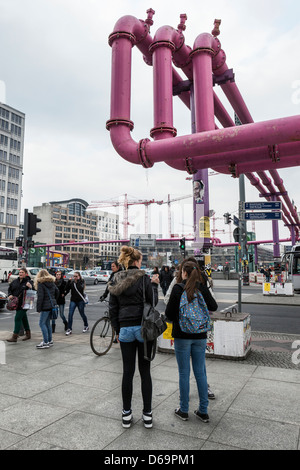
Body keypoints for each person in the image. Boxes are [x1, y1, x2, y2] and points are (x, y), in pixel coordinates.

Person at [108, 246, 159, 429]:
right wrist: (154, 285)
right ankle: (147, 415)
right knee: (145, 373)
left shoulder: (116, 279)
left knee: (127, 372)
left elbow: (112, 308)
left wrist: (117, 329)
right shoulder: (144, 278)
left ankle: (126, 414)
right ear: (137, 262)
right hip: (143, 328)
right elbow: (152, 302)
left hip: (125, 329)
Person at [165, 261, 218, 423]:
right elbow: (214, 306)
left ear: (184, 273)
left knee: (184, 373)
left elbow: (168, 314)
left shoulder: (178, 288)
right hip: (200, 334)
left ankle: (184, 409)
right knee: (200, 372)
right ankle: (203, 410)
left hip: (182, 335)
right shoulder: (202, 287)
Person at [6, 268, 34, 343]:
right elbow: (10, 289)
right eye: (19, 272)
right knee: (24, 318)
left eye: (22, 272)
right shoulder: (15, 281)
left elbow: (35, 290)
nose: (20, 273)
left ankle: (15, 336)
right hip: (17, 303)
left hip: (26, 303)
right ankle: (28, 334)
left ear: (25, 273)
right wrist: (10, 295)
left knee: (17, 318)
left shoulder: (29, 281)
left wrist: (31, 287)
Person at [35, 269, 59, 349]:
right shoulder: (51, 282)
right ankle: (50, 340)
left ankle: (45, 342)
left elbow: (40, 297)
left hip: (45, 306)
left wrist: (38, 308)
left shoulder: (41, 284)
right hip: (51, 306)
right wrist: (53, 299)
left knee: (42, 323)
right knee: (47, 323)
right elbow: (57, 291)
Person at [65, 271, 89, 336]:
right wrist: (68, 282)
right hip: (73, 300)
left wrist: (77, 281)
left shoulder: (82, 282)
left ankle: (86, 325)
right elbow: (67, 289)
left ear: (79, 276)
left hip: (80, 301)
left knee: (82, 314)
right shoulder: (72, 282)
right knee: (70, 314)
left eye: (76, 276)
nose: (75, 277)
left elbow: (80, 289)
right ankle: (69, 328)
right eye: (74, 276)